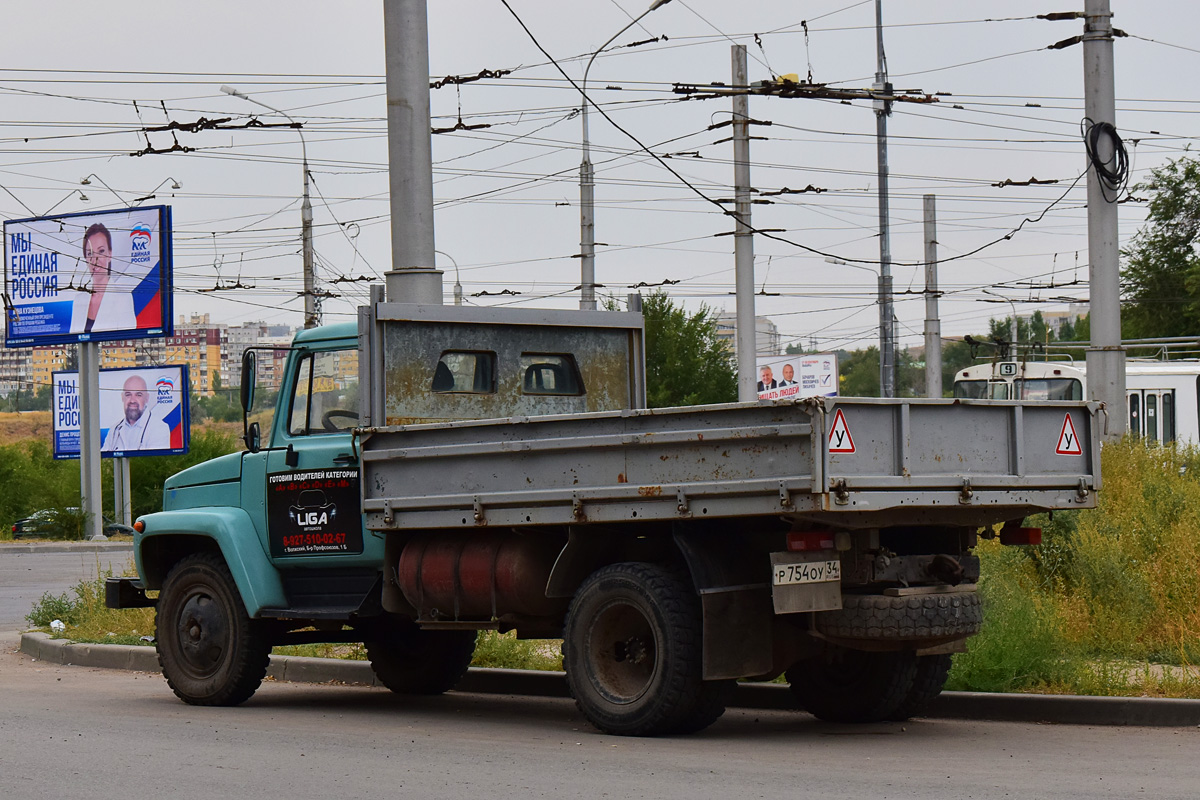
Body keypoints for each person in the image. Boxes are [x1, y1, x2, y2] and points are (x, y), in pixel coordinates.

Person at [70, 222, 136, 335]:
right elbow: (72, 339)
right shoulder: (79, 300)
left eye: (101, 251)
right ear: (85, 258)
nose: (95, 260)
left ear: (110, 254)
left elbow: (128, 338)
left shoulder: (123, 298)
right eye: (90, 253)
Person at [101, 375, 172, 452]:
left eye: (138, 395)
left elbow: (155, 460)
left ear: (147, 398)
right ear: (122, 397)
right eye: (128, 394)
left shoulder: (159, 428)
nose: (132, 400)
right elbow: (104, 459)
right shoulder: (114, 430)